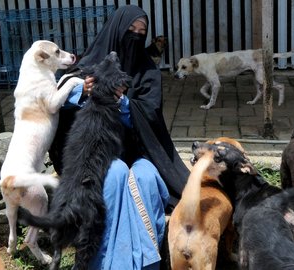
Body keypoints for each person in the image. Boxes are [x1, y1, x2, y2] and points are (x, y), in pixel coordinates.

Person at [49, 5, 189, 270]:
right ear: (116, 30)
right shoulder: (87, 68)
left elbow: (151, 117)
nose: (135, 37)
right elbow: (55, 104)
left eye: (141, 32)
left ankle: (146, 264)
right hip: (98, 155)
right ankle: (104, 263)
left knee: (146, 179)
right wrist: (84, 93)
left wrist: (124, 103)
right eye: (130, 30)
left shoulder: (148, 72)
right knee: (115, 177)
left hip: (140, 153)